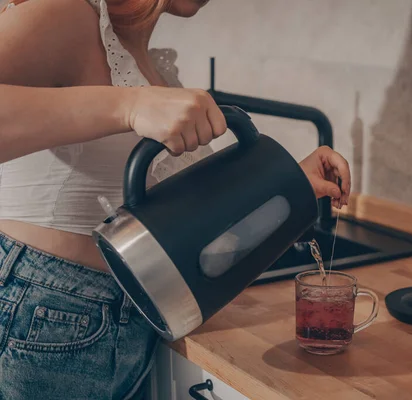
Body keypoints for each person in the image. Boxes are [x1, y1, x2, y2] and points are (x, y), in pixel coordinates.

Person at [0, 0, 351, 398]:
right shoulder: (63, 12)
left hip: (127, 322)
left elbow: (175, 211)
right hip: (44, 312)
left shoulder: (149, 63)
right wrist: (129, 106)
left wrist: (293, 179)